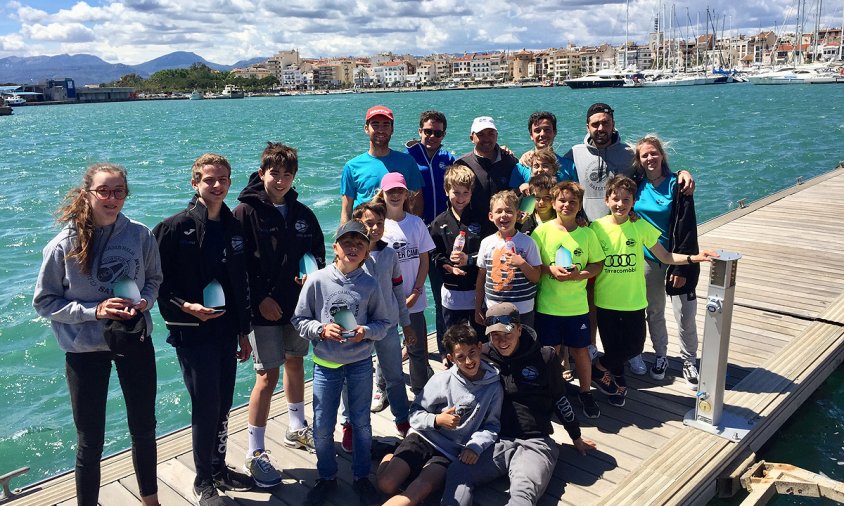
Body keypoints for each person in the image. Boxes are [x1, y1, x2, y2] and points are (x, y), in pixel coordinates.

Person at [33, 163, 162, 506]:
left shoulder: (140, 235)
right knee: (91, 439)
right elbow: (45, 302)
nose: (112, 198)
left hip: (133, 340)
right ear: (87, 194)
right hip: (85, 350)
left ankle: (152, 501)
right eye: (104, 190)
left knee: (144, 428)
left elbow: (154, 278)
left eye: (119, 191)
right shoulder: (64, 244)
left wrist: (146, 299)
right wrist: (95, 311)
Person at [153, 153, 255, 505]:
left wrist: (244, 331)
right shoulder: (172, 228)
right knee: (206, 405)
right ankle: (203, 480)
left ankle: (218, 466)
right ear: (194, 182)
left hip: (227, 331)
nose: (217, 185)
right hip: (192, 333)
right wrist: (186, 307)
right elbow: (157, 285)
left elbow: (240, 281)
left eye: (223, 179)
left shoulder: (233, 226)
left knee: (225, 403)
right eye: (209, 179)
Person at [233, 142, 326, 487]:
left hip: (297, 307)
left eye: (288, 174)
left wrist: (312, 277)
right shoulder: (244, 213)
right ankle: (255, 451)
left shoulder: (302, 213)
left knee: (296, 363)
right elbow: (237, 265)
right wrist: (259, 300)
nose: (281, 180)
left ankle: (296, 426)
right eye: (274, 173)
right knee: (266, 375)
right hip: (262, 311)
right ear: (262, 173)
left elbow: (317, 253)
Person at [440, 303, 597, 506]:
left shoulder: (545, 356)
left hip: (535, 442)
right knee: (457, 472)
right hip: (494, 439)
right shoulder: (482, 355)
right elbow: (457, 380)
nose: (501, 340)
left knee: (522, 494)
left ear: (520, 329)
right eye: (494, 334)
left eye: (506, 332)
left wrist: (576, 436)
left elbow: (560, 398)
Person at [589, 176, 717, 408]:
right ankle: (618, 386)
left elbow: (665, 256)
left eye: (626, 199)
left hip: (635, 301)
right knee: (613, 349)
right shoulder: (596, 228)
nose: (620, 204)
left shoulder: (640, 226)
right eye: (615, 199)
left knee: (635, 347)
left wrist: (694, 257)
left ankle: (597, 368)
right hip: (606, 301)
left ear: (634, 201)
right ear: (606, 200)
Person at [292, 220, 391, 506]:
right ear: (335, 247)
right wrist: (321, 330)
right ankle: (326, 477)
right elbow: (299, 319)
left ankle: (361, 476)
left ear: (367, 251)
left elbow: (383, 322)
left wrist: (366, 332)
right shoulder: (317, 280)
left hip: (360, 362)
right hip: (326, 364)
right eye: (346, 242)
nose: (353, 248)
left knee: (361, 422)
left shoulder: (370, 284)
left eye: (359, 244)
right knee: (322, 424)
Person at [376, 324, 502, 506]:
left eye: (472, 352)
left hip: (450, 452)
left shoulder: (494, 386)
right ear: (451, 358)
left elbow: (492, 425)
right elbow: (414, 414)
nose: (469, 361)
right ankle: (390, 454)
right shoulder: (441, 380)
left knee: (418, 490)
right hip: (422, 438)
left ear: (480, 347)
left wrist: (475, 446)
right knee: (386, 484)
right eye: (461, 357)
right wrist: (436, 420)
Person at [628, 135, 702, 389]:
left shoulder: (677, 185)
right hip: (648, 259)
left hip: (676, 258)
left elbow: (688, 227)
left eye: (653, 153)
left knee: (685, 313)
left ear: (662, 155)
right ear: (638, 160)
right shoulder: (635, 185)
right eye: (644, 155)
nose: (650, 159)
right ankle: (661, 356)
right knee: (654, 312)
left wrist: (682, 267)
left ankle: (689, 359)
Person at [531, 181, 605, 419]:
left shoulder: (587, 233)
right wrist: (549, 269)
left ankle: (585, 392)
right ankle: (552, 392)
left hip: (577, 307)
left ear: (580, 204)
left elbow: (597, 264)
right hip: (548, 306)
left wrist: (579, 274)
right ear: (553, 203)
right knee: (550, 352)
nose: (567, 205)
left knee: (581, 351)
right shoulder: (541, 232)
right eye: (562, 200)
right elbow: (533, 264)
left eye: (573, 201)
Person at [351, 201, 415, 435]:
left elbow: (398, 290)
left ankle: (402, 418)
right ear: (358, 224)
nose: (376, 228)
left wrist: (406, 325)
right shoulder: (351, 256)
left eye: (380, 223)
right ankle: (353, 423)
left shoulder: (389, 254)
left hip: (388, 326)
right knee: (358, 379)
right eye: (370, 223)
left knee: (395, 376)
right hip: (360, 330)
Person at [374, 172, 436, 395]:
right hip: (386, 300)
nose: (395, 195)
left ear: (406, 193)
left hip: (414, 297)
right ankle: (381, 389)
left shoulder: (416, 223)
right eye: (390, 191)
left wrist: (418, 290)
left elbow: (424, 259)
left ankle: (421, 391)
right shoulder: (378, 227)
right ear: (382, 193)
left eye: (399, 190)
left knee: (417, 346)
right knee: (386, 348)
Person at [405, 110, 457, 353]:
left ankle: (444, 348)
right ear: (419, 132)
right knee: (407, 294)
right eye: (427, 131)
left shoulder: (450, 158)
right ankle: (409, 343)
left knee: (440, 296)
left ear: (443, 134)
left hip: (440, 237)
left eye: (437, 132)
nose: (432, 136)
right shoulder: (408, 157)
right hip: (413, 233)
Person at [429, 165, 486, 350]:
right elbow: (434, 254)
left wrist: (468, 259)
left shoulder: (482, 219)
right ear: (446, 191)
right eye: (456, 192)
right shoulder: (439, 223)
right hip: (452, 292)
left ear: (471, 193)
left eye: (465, 193)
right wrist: (447, 265)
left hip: (477, 289)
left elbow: (490, 251)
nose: (460, 198)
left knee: (480, 337)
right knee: (454, 338)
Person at [340, 105, 424, 224]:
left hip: (399, 235)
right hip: (366, 235)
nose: (381, 130)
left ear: (392, 129)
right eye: (375, 124)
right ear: (366, 128)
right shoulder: (351, 166)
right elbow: (346, 210)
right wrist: (345, 238)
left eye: (386, 125)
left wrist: (412, 229)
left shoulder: (408, 162)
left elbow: (417, 203)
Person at [475, 190, 541, 329]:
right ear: (491, 216)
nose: (504, 215)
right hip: (494, 308)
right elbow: (482, 277)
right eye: (499, 211)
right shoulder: (486, 243)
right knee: (497, 345)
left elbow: (536, 277)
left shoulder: (528, 243)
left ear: (518, 215)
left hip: (522, 310)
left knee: (525, 346)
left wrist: (522, 263)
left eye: (509, 211)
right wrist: (478, 307)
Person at [454, 116, 518, 230]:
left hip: (506, 230)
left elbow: (520, 193)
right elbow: (453, 199)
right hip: (473, 231)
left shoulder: (510, 161)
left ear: (497, 136)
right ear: (471, 138)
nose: (486, 138)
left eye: (491, 133)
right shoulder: (461, 164)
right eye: (481, 134)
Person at [510, 111, 577, 191]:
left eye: (547, 130)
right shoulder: (521, 167)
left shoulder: (570, 166)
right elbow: (512, 198)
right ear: (531, 135)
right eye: (537, 130)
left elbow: (578, 197)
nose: (542, 134)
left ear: (554, 132)